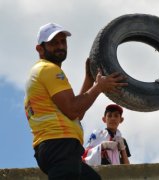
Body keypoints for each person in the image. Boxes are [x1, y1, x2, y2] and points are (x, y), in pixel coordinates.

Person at [24, 22, 127, 180]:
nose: (60, 46)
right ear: (40, 49)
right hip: (59, 146)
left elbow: (77, 113)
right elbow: (73, 110)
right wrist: (99, 88)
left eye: (63, 41)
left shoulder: (44, 71)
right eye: (53, 43)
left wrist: (89, 80)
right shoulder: (48, 70)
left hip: (58, 149)